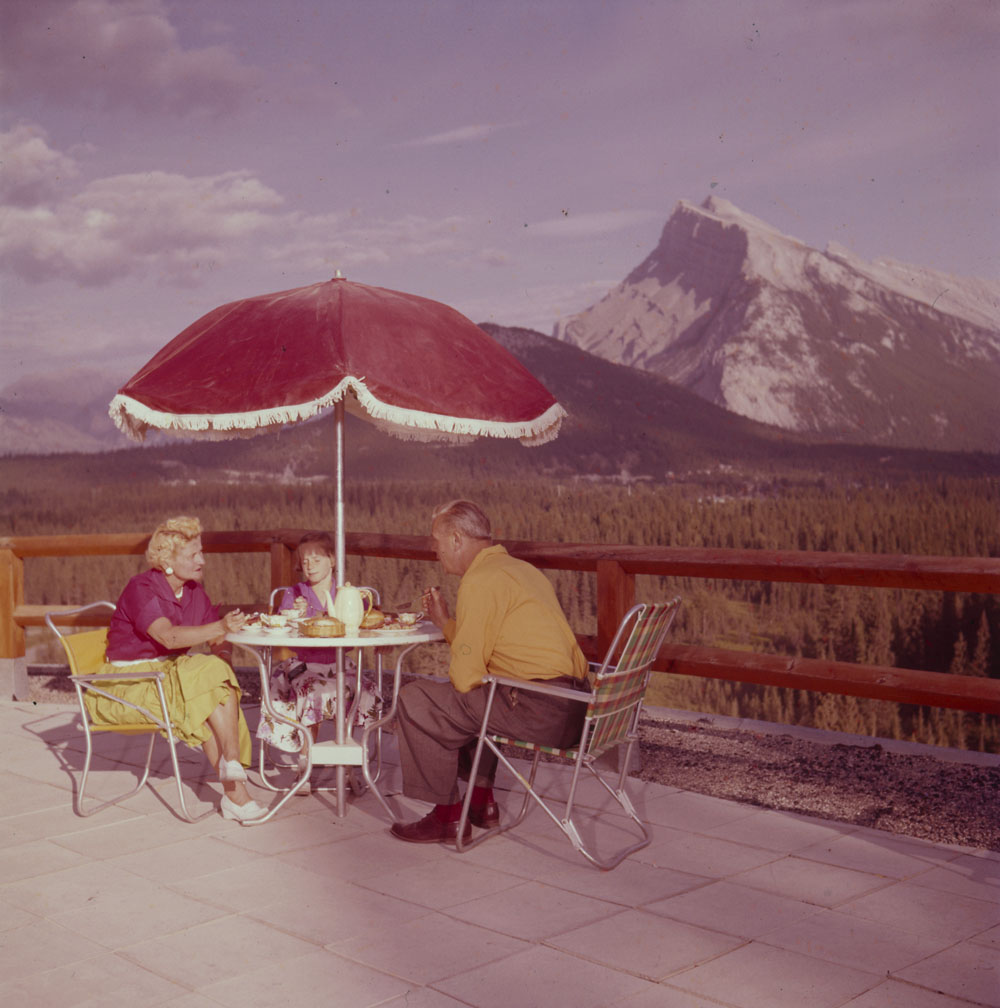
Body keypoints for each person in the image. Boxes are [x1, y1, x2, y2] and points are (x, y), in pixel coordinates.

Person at [390, 500, 589, 844]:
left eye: (436, 541)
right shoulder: (519, 569)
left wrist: (458, 654)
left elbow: (465, 678)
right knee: (464, 704)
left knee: (416, 700)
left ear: (456, 539)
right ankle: (482, 804)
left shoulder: (480, 580)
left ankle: (448, 817)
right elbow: (493, 650)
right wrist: (446, 624)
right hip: (575, 707)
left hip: (541, 711)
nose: (434, 550)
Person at [98, 516, 265, 822]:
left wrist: (222, 657)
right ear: (168, 561)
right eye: (193, 555)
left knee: (212, 682)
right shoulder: (142, 588)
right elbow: (168, 636)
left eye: (201, 552)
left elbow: (216, 636)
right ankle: (235, 788)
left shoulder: (192, 592)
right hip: (130, 682)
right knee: (200, 696)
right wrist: (219, 631)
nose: (202, 560)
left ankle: (233, 775)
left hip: (165, 674)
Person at [256, 531, 380, 791]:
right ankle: (305, 760)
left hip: (338, 663)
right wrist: (293, 618)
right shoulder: (295, 594)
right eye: (305, 559)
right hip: (304, 664)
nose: (309, 565)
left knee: (362, 690)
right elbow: (282, 629)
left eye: (317, 559)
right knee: (313, 691)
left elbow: (360, 625)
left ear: (332, 560)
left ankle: (345, 758)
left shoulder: (346, 593)